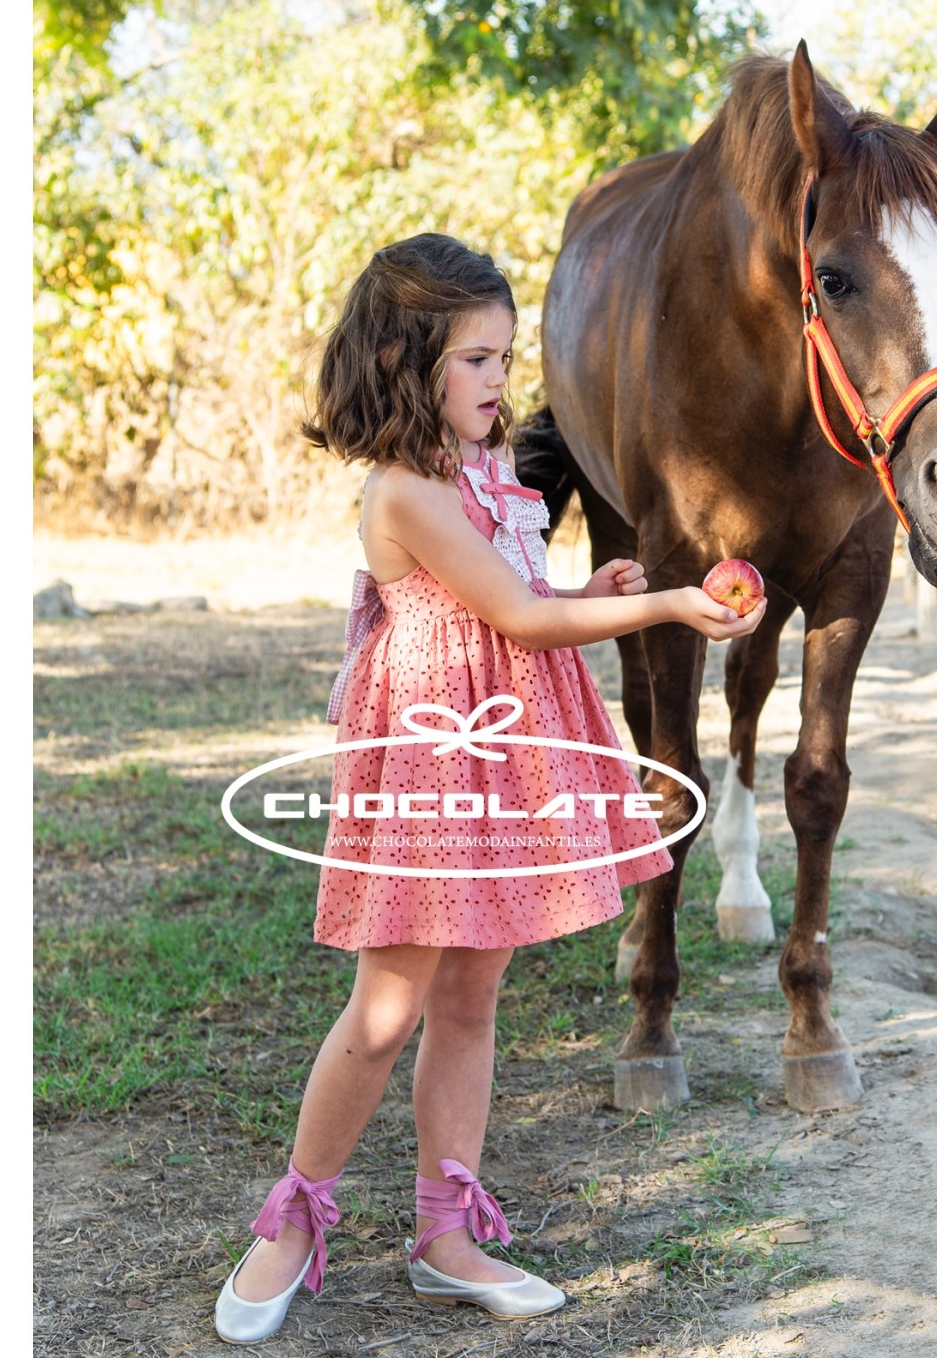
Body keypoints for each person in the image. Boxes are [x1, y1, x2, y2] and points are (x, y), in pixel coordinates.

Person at [214, 233, 767, 1344]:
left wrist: (588, 585)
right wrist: (657, 609)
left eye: (506, 357)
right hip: (431, 760)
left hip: (501, 752)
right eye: (475, 358)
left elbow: (517, 596)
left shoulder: (484, 473)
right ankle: (292, 1221)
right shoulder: (406, 490)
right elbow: (512, 621)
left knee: (472, 996)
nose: (499, 380)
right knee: (386, 1007)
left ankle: (443, 1233)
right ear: (403, 359)